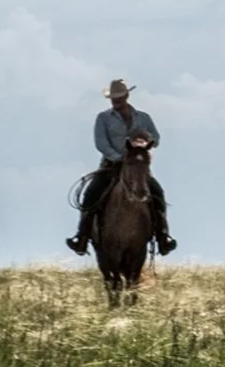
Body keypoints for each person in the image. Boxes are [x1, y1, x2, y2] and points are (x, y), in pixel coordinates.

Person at [66, 80, 176, 255]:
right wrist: (120, 158)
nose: (115, 101)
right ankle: (82, 237)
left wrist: (144, 141)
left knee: (157, 193)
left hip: (137, 168)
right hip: (111, 166)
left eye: (119, 97)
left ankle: (163, 236)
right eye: (113, 98)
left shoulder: (143, 118)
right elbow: (101, 144)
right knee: (91, 194)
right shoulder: (103, 118)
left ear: (126, 96)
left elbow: (156, 138)